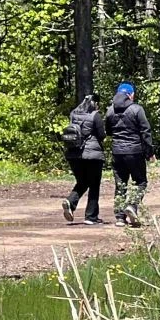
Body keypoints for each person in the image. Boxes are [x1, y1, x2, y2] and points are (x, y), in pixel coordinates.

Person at [105, 83, 155, 227]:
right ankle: (132, 206)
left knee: (120, 184)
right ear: (130, 95)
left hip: (117, 152)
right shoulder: (137, 109)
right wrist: (149, 153)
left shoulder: (110, 111)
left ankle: (120, 217)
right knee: (141, 182)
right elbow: (146, 132)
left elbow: (108, 131)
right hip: (135, 152)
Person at [62, 94, 106, 225]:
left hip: (73, 154)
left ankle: (70, 201)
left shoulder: (73, 114)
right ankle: (91, 216)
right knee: (94, 185)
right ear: (95, 104)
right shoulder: (95, 115)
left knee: (82, 181)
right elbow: (102, 135)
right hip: (92, 155)